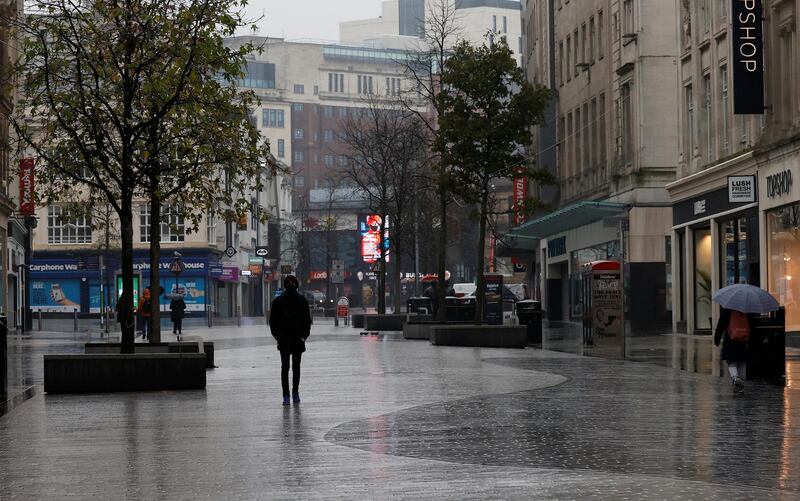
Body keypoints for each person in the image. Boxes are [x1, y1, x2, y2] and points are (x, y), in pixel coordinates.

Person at [269, 275, 312, 406]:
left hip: (287, 339)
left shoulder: (278, 301)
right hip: (294, 339)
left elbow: (273, 322)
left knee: (286, 367)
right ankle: (293, 393)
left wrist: (277, 336)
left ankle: (287, 395)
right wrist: (304, 336)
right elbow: (307, 321)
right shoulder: (301, 300)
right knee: (295, 367)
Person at [714, 307, 754, 394]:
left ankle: (735, 378)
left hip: (731, 339)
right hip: (744, 340)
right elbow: (752, 325)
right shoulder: (748, 309)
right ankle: (740, 386)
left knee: (732, 361)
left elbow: (721, 325)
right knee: (742, 362)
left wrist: (717, 339)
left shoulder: (727, 309)